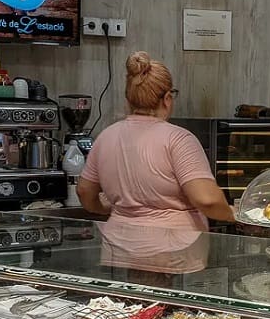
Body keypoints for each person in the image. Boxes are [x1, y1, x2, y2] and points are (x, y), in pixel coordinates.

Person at [78, 50, 234, 280]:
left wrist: (110, 208)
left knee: (129, 310)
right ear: (167, 98)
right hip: (174, 250)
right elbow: (207, 199)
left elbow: (84, 192)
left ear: (128, 98)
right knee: (171, 314)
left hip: (120, 247)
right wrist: (234, 215)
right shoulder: (178, 139)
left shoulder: (106, 136)